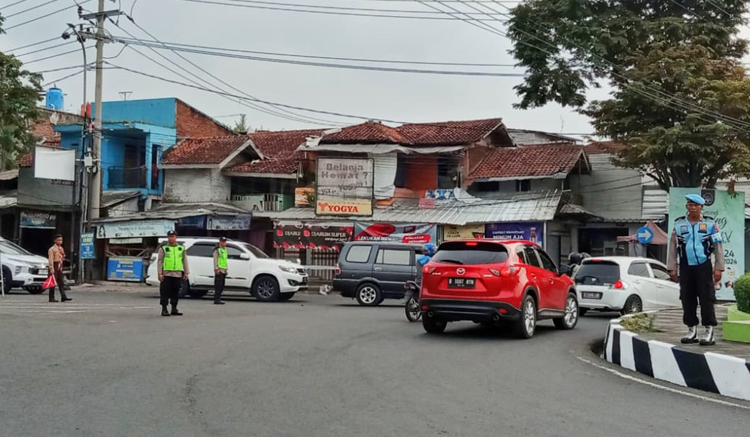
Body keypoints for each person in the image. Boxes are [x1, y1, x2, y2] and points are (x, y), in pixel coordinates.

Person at [668, 194, 725, 346]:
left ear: (701, 207)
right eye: (690, 205)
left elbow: (718, 247)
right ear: (687, 207)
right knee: (687, 298)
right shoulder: (679, 225)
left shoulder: (710, 225)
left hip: (704, 266)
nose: (692, 207)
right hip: (686, 266)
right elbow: (673, 248)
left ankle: (709, 330)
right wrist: (672, 268)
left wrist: (719, 268)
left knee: (706, 298)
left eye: (696, 205)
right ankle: (691, 329)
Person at [157, 230, 189, 317]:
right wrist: (160, 273)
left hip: (177, 273)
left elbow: (184, 261)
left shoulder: (181, 248)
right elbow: (160, 261)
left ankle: (174, 308)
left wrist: (186, 272)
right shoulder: (163, 248)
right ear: (168, 237)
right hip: (166, 273)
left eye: (173, 236)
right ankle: (164, 309)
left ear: (176, 237)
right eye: (170, 236)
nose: (171, 238)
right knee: (165, 291)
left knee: (175, 291)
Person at [47, 234, 71, 303]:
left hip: (59, 266)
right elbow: (50, 259)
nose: (60, 241)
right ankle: (51, 298)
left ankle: (63, 296)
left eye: (61, 240)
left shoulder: (61, 248)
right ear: (55, 241)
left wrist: (62, 254)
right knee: (53, 283)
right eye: (58, 240)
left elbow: (63, 257)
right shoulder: (52, 249)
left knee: (61, 282)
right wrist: (51, 268)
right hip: (54, 265)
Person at [213, 237, 228, 305]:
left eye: (225, 241)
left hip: (223, 270)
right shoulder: (217, 250)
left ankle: (219, 298)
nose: (224, 243)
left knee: (222, 285)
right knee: (218, 285)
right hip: (219, 270)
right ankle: (216, 299)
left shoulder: (225, 250)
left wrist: (226, 269)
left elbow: (225, 260)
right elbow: (215, 260)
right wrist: (216, 268)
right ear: (220, 242)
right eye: (223, 241)